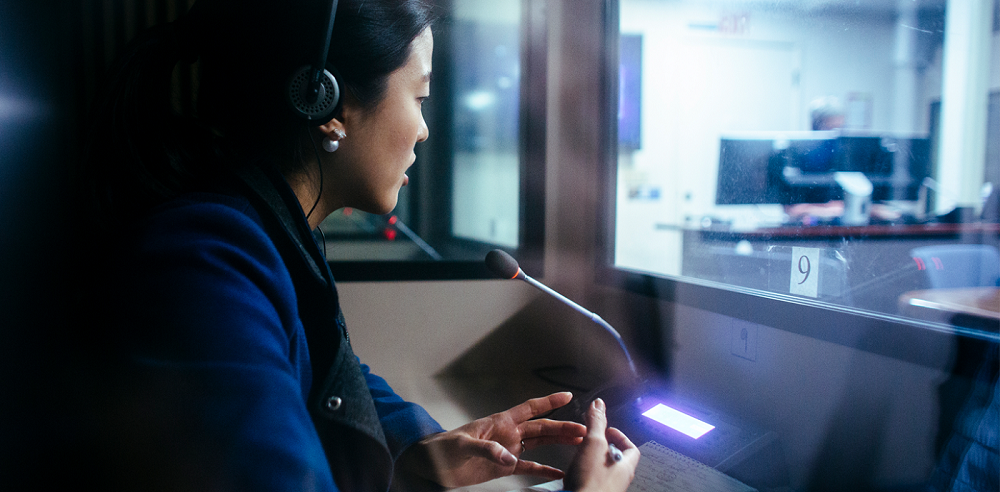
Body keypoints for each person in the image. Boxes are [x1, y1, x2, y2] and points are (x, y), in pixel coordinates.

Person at [72, 0, 640, 490]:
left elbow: (331, 371)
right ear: (327, 102)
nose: (423, 129)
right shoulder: (202, 269)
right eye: (419, 96)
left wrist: (416, 450)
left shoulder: (264, 237)